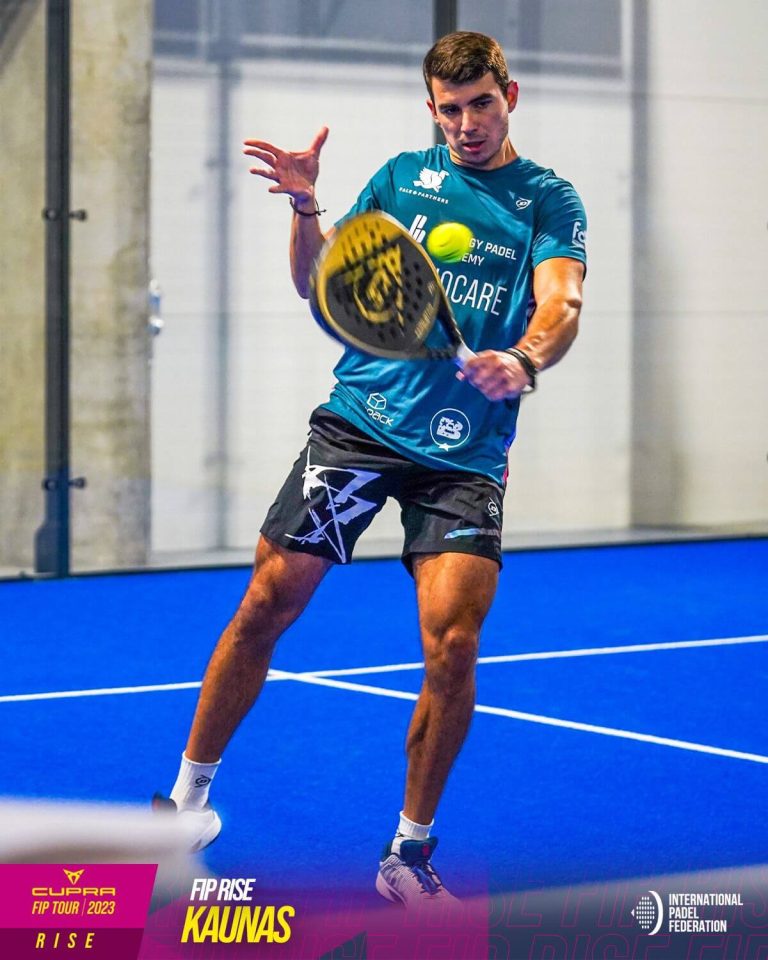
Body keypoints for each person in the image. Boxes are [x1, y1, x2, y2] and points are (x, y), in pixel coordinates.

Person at [155, 31, 586, 908]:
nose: (467, 124)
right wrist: (306, 206)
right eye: (450, 109)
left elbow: (562, 299)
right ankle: (184, 806)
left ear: (509, 97)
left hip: (464, 456)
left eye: (482, 104)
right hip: (361, 426)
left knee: (453, 644)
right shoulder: (399, 179)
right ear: (432, 109)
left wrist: (525, 357)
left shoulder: (548, 199)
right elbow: (320, 282)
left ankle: (406, 857)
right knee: (268, 600)